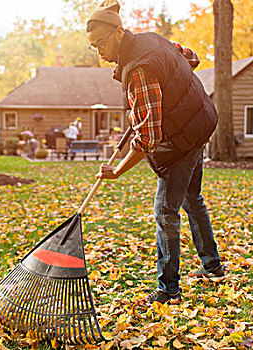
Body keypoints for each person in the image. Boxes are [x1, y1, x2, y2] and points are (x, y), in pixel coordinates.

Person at [86, 0, 225, 304]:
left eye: (100, 43)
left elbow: (149, 137)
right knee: (192, 198)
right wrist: (172, 74)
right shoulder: (152, 39)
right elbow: (191, 57)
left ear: (119, 33)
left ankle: (168, 289)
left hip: (183, 138)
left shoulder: (138, 71)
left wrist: (118, 170)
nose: (98, 52)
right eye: (92, 46)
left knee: (165, 212)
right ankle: (212, 267)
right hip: (201, 121)